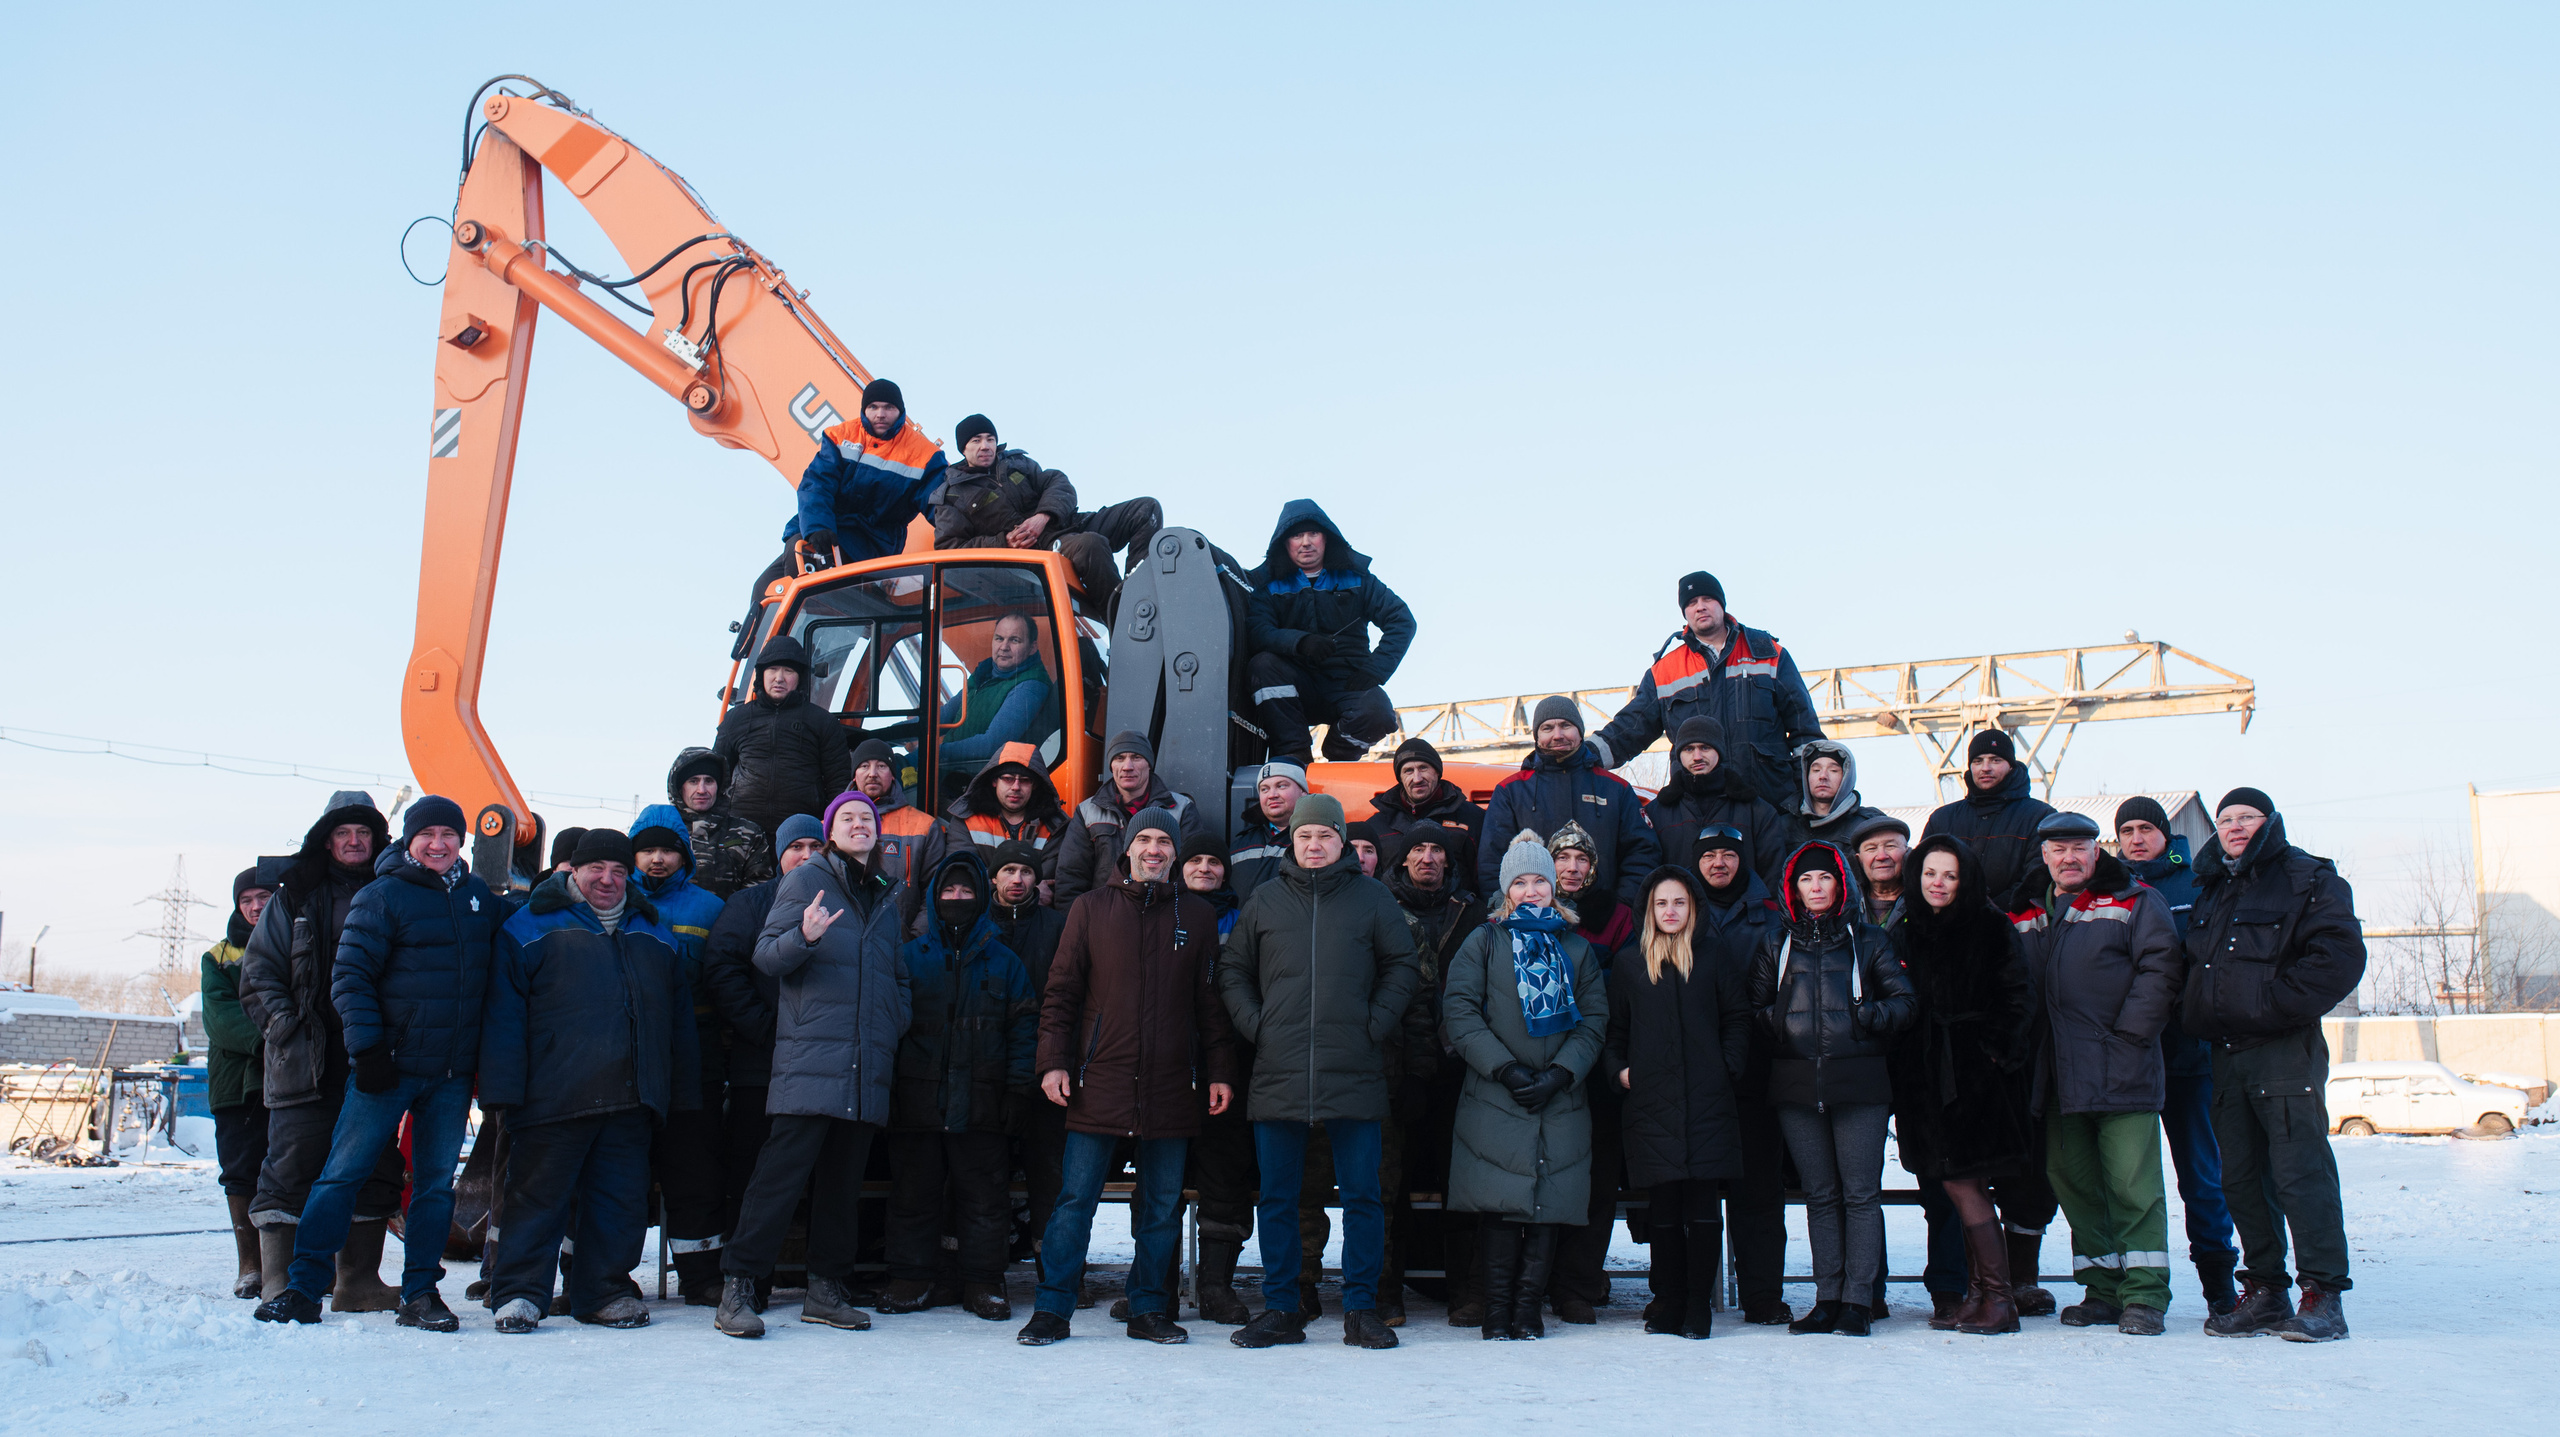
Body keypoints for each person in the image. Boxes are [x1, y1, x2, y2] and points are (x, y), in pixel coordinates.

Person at [254, 797, 506, 1331]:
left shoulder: (478, 898)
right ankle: (302, 1288)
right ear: (408, 841)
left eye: (449, 834)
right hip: (387, 1066)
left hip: (450, 1073)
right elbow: (350, 980)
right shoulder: (382, 896)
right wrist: (367, 1051)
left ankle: (420, 1292)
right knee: (340, 1176)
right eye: (427, 834)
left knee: (436, 1185)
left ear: (463, 841)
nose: (438, 844)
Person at [1018, 809, 1239, 1346]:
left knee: (1161, 1208)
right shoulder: (1091, 909)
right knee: (1074, 1202)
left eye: (1165, 841)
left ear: (1175, 852)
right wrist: (1053, 1062)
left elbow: (1210, 1005)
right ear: (1128, 848)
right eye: (1145, 839)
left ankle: (1148, 1309)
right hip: (1100, 1080)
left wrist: (1220, 1073)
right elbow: (1061, 992)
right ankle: (1052, 1309)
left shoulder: (1199, 916)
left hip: (1172, 1085)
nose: (1155, 849)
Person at [1219, 794, 1421, 1350]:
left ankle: (1360, 1308)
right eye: (1304, 836)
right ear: (1294, 840)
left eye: (1325, 836)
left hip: (1354, 1067)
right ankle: (1281, 1307)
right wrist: (1258, 1026)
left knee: (1362, 1196)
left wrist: (1372, 1024)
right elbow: (1232, 969)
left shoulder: (1373, 899)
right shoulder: (1264, 900)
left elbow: (1403, 966)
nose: (1313, 845)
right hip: (1278, 1069)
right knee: (1278, 1198)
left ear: (1340, 841)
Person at [481, 828, 700, 1333]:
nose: (608, 879)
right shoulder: (529, 926)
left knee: (618, 1201)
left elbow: (678, 1023)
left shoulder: (654, 934)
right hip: (551, 1095)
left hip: (629, 1096)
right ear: (574, 872)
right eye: (597, 869)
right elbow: (503, 1017)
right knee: (536, 1199)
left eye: (620, 871)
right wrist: (502, 1091)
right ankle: (518, 1293)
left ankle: (603, 1290)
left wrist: (680, 1091)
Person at [716, 792, 914, 1339]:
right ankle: (738, 1287)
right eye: (847, 818)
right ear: (831, 831)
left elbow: (897, 975)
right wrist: (804, 936)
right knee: (778, 1179)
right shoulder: (807, 881)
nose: (858, 825)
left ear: (878, 833)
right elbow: (765, 955)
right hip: (810, 1060)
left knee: (841, 1184)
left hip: (864, 1062)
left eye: (866, 819)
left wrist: (894, 1021)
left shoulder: (884, 893)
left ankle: (826, 1290)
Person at [2183, 788, 2366, 1342]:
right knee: (2239, 1176)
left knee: (2299, 1171)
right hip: (2225, 1053)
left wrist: (2271, 1008)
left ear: (2270, 823)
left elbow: (2339, 957)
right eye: (2225, 819)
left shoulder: (2308, 877)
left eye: (2246, 817)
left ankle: (2322, 1295)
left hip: (2283, 1049)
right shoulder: (2213, 885)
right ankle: (2265, 1290)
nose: (2234, 826)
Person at [2010, 809, 2184, 1336]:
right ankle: (2102, 1289)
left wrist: (2130, 1036)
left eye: (2078, 848)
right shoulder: (2024, 910)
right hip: (2059, 1077)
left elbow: (2162, 968)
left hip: (2121, 1071)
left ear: (2096, 851)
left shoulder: (2134, 900)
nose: (2068, 858)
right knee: (2077, 1187)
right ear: (2044, 856)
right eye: (2057, 850)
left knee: (2133, 1186)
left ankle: (2146, 1294)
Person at [237, 790, 405, 1309]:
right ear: (327, 839)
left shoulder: (396, 889)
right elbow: (259, 971)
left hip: (374, 1056)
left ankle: (358, 1282)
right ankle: (278, 1281)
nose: (354, 842)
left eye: (363, 833)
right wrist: (287, 1025)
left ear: (378, 840)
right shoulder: (295, 893)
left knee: (377, 1166)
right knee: (290, 1166)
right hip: (306, 1057)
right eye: (343, 834)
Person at [1443, 832, 1612, 1340]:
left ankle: (1527, 1309)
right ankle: (1496, 1309)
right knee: (1499, 1205)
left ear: (1555, 888)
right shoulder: (1484, 941)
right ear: (1506, 890)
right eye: (1521, 881)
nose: (1532, 889)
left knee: (1547, 1203)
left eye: (1541, 880)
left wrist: (1561, 1073)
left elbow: (1594, 1020)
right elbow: (1460, 1011)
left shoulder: (1577, 948)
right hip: (1496, 1093)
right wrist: (1505, 1069)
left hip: (1559, 1095)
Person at [1751, 841, 1917, 1338]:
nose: (1816, 887)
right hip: (1797, 1083)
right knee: (1821, 1195)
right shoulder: (1776, 944)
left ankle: (1859, 1301)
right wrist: (1779, 1022)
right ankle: (1827, 1298)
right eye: (1806, 880)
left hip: (1859, 1085)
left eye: (1824, 878)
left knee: (1861, 1194)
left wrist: (1868, 1017)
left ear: (1841, 883)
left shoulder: (1869, 941)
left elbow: (1906, 1003)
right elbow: (1754, 1006)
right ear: (1793, 888)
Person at [1884, 834, 2039, 1337]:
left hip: (1976, 1075)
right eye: (1931, 873)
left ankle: (1999, 1297)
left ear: (1965, 878)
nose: (1939, 883)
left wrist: (1993, 1053)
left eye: (1949, 874)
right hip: (1924, 1077)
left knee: (1965, 1181)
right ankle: (1980, 1294)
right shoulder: (1906, 928)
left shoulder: (1990, 924)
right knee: (1952, 1182)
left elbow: (2018, 997)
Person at [879, 851, 1036, 1322]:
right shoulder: (908, 958)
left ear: (981, 896)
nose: (957, 898)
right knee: (913, 1194)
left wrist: (1017, 1090)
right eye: (948, 890)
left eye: (967, 890)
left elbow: (1024, 1030)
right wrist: (889, 1090)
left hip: (984, 1103)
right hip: (916, 1101)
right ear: (933, 895)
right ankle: (910, 1276)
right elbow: (888, 1028)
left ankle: (984, 1281)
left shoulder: (1005, 962)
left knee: (985, 1199)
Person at [1604, 865, 1752, 1339]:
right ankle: (1667, 1300)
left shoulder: (1713, 955)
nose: (1670, 911)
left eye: (1680, 902)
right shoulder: (1630, 963)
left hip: (1707, 1101)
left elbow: (1737, 1018)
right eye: (1662, 903)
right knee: (1662, 1211)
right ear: (1649, 909)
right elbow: (1614, 1033)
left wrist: (1725, 1067)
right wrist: (1621, 1071)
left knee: (1703, 1209)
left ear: (1693, 908)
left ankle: (1697, 1305)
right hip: (1651, 1102)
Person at [2115, 795, 2241, 1317]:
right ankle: (2130, 1289)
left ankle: (2220, 1288)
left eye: (2146, 828)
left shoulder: (2197, 885)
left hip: (2190, 1059)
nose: (2137, 839)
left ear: (2166, 835)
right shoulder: (2109, 892)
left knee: (2203, 1178)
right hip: (2129, 1061)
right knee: (2127, 1180)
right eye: (2126, 831)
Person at [702, 814, 828, 1311]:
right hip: (763, 1065)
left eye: (814, 845)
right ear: (779, 855)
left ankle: (828, 1278)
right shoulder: (751, 903)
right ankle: (750, 1280)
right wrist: (765, 1029)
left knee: (822, 1175)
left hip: (824, 1065)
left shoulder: (847, 902)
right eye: (794, 846)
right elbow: (723, 968)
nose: (805, 855)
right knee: (754, 1176)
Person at [1589, 572, 1825, 806]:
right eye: (1691, 603)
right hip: (1697, 811)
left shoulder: (1769, 654)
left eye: (1707, 599)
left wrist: (1809, 799)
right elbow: (1629, 729)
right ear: (1685, 613)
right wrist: (1582, 755)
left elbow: (1805, 731)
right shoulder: (1665, 671)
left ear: (1722, 604)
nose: (1700, 607)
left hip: (1771, 806)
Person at [626, 804, 734, 1306]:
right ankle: (606, 1270)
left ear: (684, 855)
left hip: (695, 1059)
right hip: (626, 1062)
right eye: (646, 849)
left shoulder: (710, 909)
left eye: (667, 850)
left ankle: (701, 1275)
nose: (656, 859)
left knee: (695, 1171)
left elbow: (726, 982)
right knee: (621, 1172)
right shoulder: (610, 902)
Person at [1378, 823, 1485, 1326]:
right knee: (1390, 1183)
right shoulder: (1379, 909)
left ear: (1449, 860)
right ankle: (1386, 1291)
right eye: (1417, 849)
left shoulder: (1473, 912)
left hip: (1461, 1066)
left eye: (1436, 849)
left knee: (1460, 1182)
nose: (1426, 857)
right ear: (1401, 861)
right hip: (1397, 1063)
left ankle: (1467, 1290)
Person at [1690, 828, 1792, 1325]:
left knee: (1759, 1194)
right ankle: (1689, 1292)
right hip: (1695, 1072)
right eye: (1709, 855)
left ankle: (1762, 1295)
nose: (1718, 863)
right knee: (1695, 1191)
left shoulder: (1772, 914)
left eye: (1729, 854)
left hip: (1758, 1069)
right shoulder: (1680, 914)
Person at [743, 377, 946, 623]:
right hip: (826, 531)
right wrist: (818, 526)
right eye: (873, 407)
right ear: (864, 410)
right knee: (765, 587)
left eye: (888, 408)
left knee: (819, 597)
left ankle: (804, 646)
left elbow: (940, 504)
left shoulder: (924, 456)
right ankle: (764, 654)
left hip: (870, 543)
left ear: (900, 411)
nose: (880, 414)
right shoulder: (841, 436)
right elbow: (816, 483)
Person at [928, 413, 1161, 613]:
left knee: (1146, 510)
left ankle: (1136, 593)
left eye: (990, 439)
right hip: (1039, 549)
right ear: (963, 448)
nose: (985, 446)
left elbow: (1057, 482)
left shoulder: (1016, 462)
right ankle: (1123, 622)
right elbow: (950, 548)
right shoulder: (952, 495)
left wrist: (1044, 515)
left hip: (1067, 523)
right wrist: (1004, 542)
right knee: (1091, 545)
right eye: (976, 440)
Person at [1543, 820, 1634, 1324]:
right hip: (1542, 1061)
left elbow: (1623, 983)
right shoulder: (1531, 911)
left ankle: (1578, 1282)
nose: (1572, 868)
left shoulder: (1617, 915)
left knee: (1597, 1184)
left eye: (1581, 859)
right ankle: (1537, 1275)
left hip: (1599, 1066)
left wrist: (1577, 971)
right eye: (1562, 858)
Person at [1244, 500, 1416, 764]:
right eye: (1296, 535)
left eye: (1313, 533)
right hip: (1296, 684)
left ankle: (1338, 758)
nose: (1305, 542)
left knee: (1379, 713)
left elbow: (1401, 620)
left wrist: (1374, 670)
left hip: (1348, 682)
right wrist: (1300, 642)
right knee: (1262, 665)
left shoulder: (1358, 579)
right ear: (1284, 543)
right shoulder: (1267, 587)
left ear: (1326, 538)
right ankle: (1294, 756)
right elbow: (1258, 631)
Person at [1175, 834, 1259, 1325]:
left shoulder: (1244, 920)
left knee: (1226, 1177)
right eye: (1195, 860)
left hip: (1232, 1063)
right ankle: (1156, 1284)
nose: (1205, 868)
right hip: (1170, 1065)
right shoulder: (1164, 912)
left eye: (1214, 862)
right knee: (1162, 1182)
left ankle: (1216, 1286)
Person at [1477, 697, 1660, 908]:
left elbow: (1642, 853)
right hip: (1531, 924)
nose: (1557, 735)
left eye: (1566, 725)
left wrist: (1621, 909)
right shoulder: (1511, 791)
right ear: (1536, 736)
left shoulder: (1616, 789)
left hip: (1604, 926)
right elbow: (1492, 862)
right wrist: (1508, 913)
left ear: (1580, 731)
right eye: (1547, 728)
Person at [202, 862, 280, 1299]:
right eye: (246, 901)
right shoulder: (217, 957)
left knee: (290, 1166)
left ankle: (286, 1265)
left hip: (289, 1079)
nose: (254, 907)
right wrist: (276, 1040)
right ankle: (250, 1265)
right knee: (240, 1170)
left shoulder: (294, 942)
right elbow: (222, 1019)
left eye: (262, 898)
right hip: (236, 1083)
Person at [716, 635, 852, 837]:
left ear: (800, 678)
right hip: (741, 831)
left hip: (802, 832)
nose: (779, 678)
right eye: (772, 669)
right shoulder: (736, 719)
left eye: (788, 671)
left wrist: (830, 826)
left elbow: (838, 782)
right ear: (761, 674)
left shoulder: (822, 721)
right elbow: (716, 773)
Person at [1642, 718, 1794, 895]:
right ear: (1679, 754)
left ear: (1719, 751)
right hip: (1679, 918)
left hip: (1744, 920)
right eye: (1689, 749)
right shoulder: (1656, 812)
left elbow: (1773, 876)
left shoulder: (1757, 811)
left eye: (1705, 747)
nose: (1697, 756)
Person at [1054, 731, 1205, 907]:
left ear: (1149, 764)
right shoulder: (1087, 812)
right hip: (1105, 917)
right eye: (1119, 758)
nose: (1127, 766)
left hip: (1164, 914)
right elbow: (1070, 878)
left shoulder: (1181, 808)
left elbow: (1194, 873)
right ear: (1111, 766)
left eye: (1136, 757)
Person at [1921, 731, 2057, 906]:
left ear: (2011, 766)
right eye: (1978, 761)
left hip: (2015, 925)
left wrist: (1990, 914)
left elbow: (2036, 878)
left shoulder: (2040, 817)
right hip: (1947, 926)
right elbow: (1922, 873)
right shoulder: (1942, 819)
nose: (1986, 767)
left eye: (1995, 760)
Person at [939, 613, 1062, 773]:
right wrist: (897, 732)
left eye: (1014, 640)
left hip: (979, 778)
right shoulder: (984, 674)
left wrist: (935, 753)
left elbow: (992, 744)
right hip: (953, 770)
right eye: (999, 638)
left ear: (1032, 648)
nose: (1004, 647)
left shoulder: (1030, 685)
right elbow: (944, 715)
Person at [850, 738, 944, 923]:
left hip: (903, 945)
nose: (872, 774)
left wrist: (914, 941)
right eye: (864, 766)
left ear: (893, 774)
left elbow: (934, 892)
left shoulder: (924, 826)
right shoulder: (829, 826)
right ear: (854, 775)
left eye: (882, 766)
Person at [938, 741, 1068, 873]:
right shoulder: (967, 820)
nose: (1016, 787)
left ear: (1035, 785)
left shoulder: (1056, 826)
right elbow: (963, 876)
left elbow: (1052, 879)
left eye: (1024, 780)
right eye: (1008, 778)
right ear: (994, 781)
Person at [664, 748, 775, 900]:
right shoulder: (663, 830)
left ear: (720, 786)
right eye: (693, 781)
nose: (701, 790)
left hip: (732, 921)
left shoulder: (748, 833)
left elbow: (758, 892)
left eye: (709, 781)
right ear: (679, 786)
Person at [1366, 737, 1487, 862]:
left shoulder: (1474, 818)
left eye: (1423, 768)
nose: (1417, 778)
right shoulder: (1375, 827)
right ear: (1400, 778)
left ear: (1437, 772)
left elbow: (1489, 869)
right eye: (1408, 771)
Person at [1228, 761, 1309, 900]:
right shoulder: (1240, 844)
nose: (1272, 795)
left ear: (1303, 792)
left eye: (1281, 786)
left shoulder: (1317, 842)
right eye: (1264, 789)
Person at [1787, 739, 1885, 853]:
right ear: (1806, 776)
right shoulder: (1782, 824)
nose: (1823, 776)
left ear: (1847, 777)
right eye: (1816, 770)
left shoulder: (1868, 823)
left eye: (1833, 770)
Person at [1846, 813, 1911, 925]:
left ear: (1907, 852)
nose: (1881, 856)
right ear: (1859, 859)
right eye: (1871, 849)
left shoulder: (1924, 900)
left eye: (1890, 846)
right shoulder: (1844, 905)